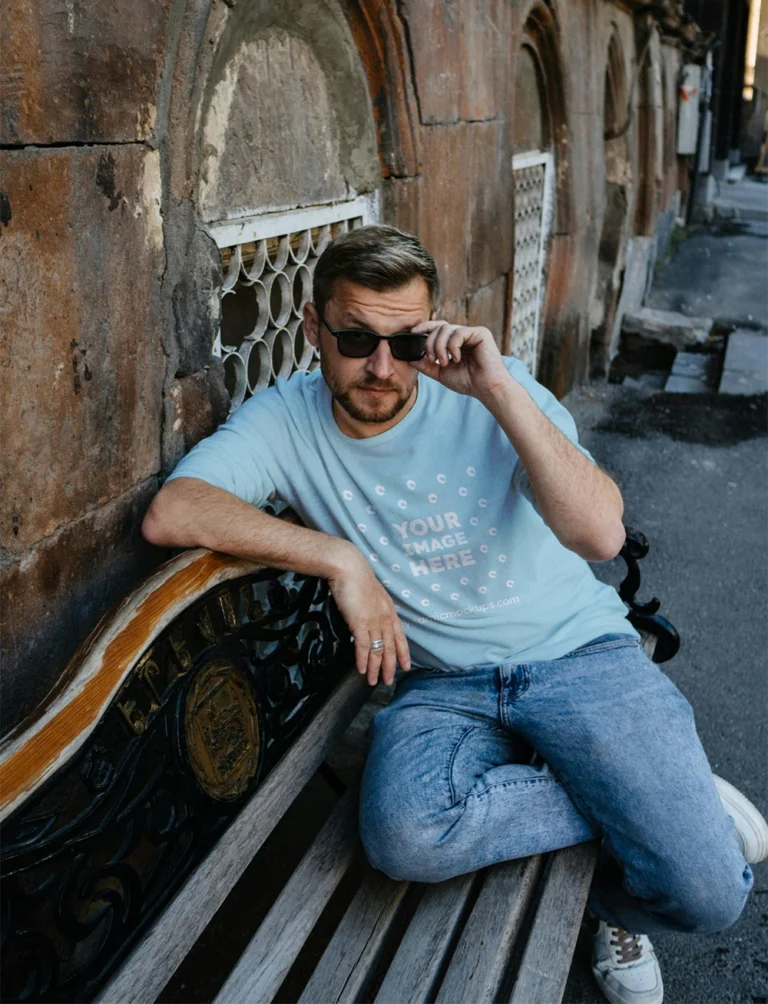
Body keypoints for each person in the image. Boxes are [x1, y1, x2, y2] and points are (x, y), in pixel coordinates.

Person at [142, 225, 767, 1004]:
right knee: (403, 834)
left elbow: (600, 534)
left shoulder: (492, 392)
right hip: (443, 685)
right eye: (354, 338)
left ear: (433, 328)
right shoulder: (287, 420)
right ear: (311, 329)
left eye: (403, 344)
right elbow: (174, 511)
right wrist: (341, 558)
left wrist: (500, 392)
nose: (379, 367)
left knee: (711, 893)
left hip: (579, 654)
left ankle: (615, 898)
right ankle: (651, 797)